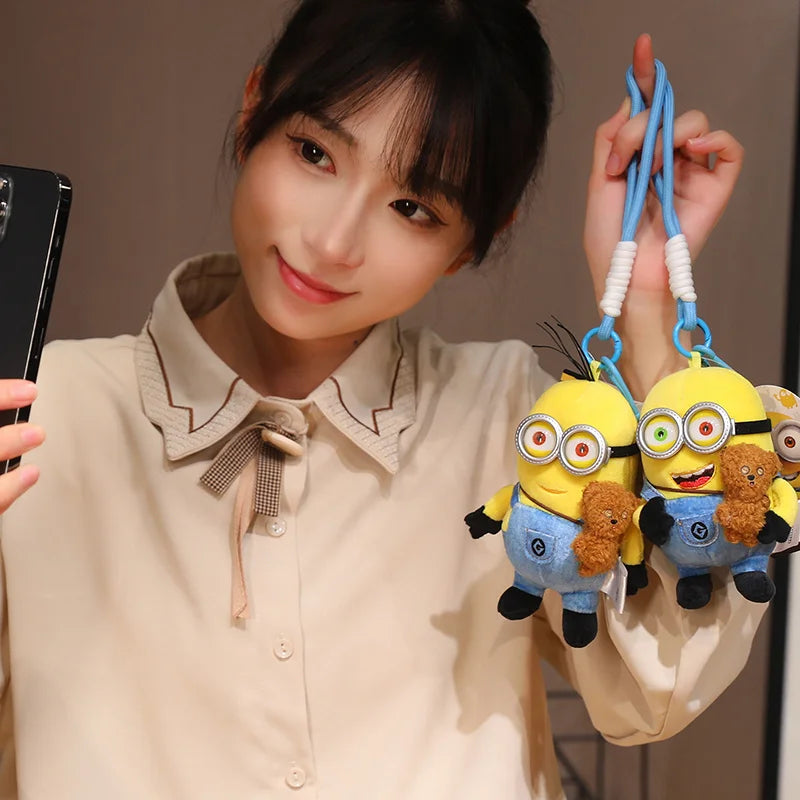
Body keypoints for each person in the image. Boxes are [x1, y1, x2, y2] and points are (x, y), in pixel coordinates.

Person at [0, 1, 756, 798]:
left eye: (412, 208)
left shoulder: (512, 423)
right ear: (254, 110)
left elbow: (654, 688)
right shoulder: (42, 412)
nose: (333, 243)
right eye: (314, 153)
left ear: (473, 239)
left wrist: (646, 304)